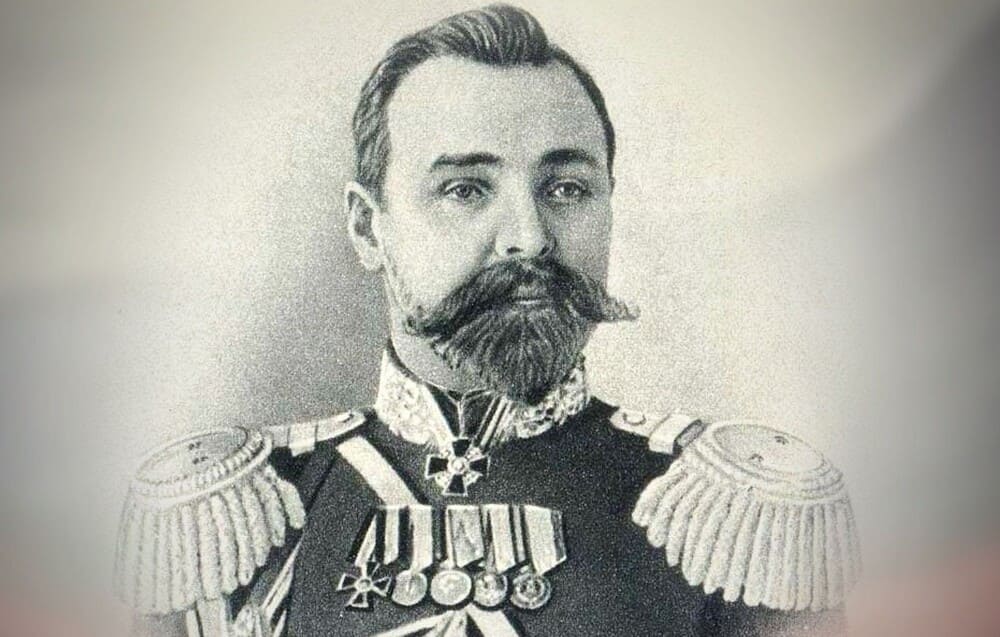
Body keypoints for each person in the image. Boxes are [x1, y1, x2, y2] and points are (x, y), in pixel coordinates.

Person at [115, 5, 859, 636]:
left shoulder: (724, 519)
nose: (529, 237)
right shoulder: (242, 516)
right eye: (467, 190)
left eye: (566, 187)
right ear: (369, 228)